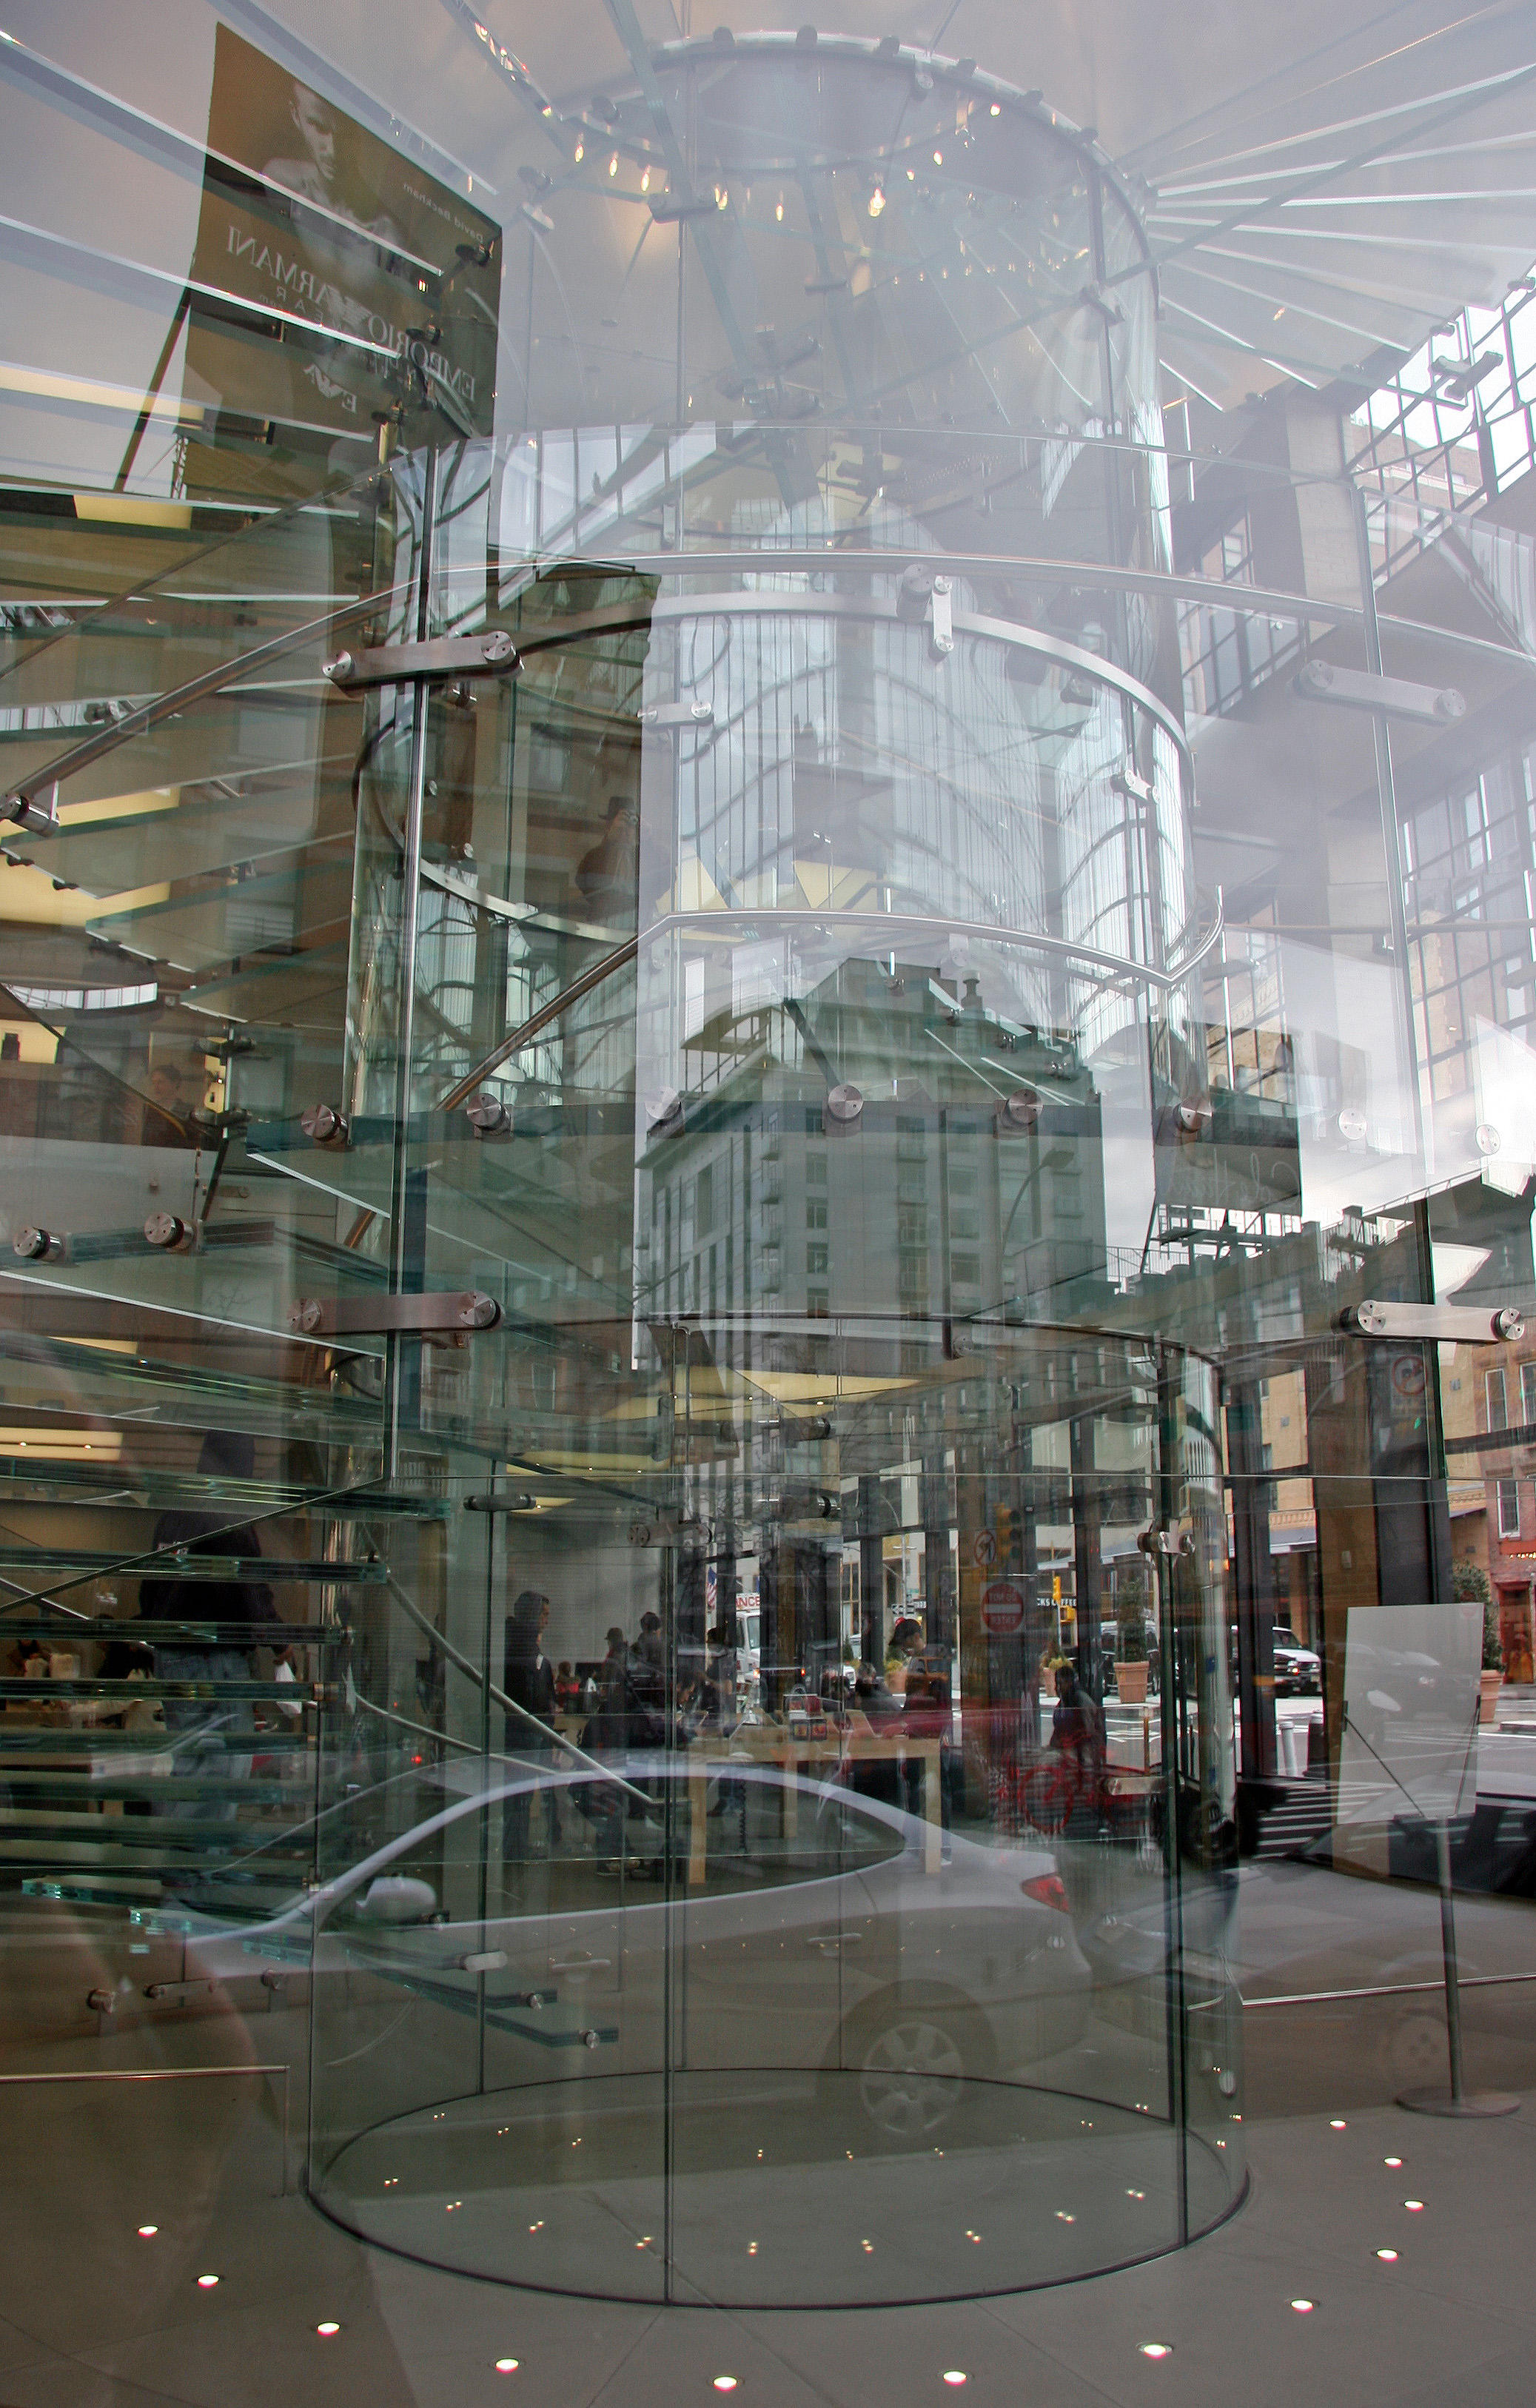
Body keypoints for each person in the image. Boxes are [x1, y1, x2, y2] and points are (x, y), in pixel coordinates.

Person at [140, 1431, 277, 1825]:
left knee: (191, 1763)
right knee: (221, 1769)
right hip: (211, 1656)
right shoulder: (227, 1513)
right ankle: (197, 1874)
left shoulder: (175, 1514)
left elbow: (148, 1586)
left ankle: (185, 1870)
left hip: (171, 1656)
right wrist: (278, 1641)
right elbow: (250, 1586)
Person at [502, 1589, 557, 1868]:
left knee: (521, 1797)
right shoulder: (522, 1646)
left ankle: (517, 1848)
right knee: (519, 1797)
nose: (546, 1621)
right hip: (525, 1731)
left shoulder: (521, 1644)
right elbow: (528, 1691)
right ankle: (515, 1851)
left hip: (528, 1728)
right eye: (543, 1615)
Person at [574, 795, 640, 920]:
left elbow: (663, 882)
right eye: (621, 824)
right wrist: (609, 842)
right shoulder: (596, 856)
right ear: (609, 826)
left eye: (631, 824)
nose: (626, 830)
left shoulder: (642, 856)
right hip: (604, 921)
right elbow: (584, 883)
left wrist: (648, 839)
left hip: (638, 923)